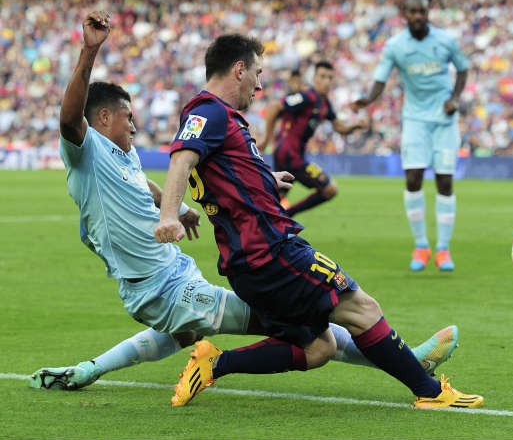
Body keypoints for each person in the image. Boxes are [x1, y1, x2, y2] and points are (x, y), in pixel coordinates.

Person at [29, 12, 458, 392]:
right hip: (162, 288)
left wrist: (182, 209)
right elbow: (71, 119)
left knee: (199, 330)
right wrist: (89, 51)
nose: (135, 127)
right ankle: (411, 362)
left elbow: (144, 184)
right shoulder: (84, 150)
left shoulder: (123, 155)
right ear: (103, 117)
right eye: (128, 118)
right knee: (312, 323)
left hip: (174, 280)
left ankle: (91, 369)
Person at [154, 33, 483, 409]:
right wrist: (169, 216)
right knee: (362, 309)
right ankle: (431, 392)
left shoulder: (216, 115)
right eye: (258, 73)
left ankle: (215, 364)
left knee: (318, 347)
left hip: (247, 261)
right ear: (239, 69)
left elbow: (220, 175)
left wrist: (265, 179)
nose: (260, 85)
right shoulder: (210, 111)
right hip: (271, 252)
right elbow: (182, 159)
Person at [349, 0, 469, 272]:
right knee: (413, 178)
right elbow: (380, 79)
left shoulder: (446, 40)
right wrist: (368, 99)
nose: (417, 16)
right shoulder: (395, 46)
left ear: (428, 12)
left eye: (421, 11)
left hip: (444, 120)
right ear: (405, 14)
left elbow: (463, 70)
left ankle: (443, 249)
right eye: (412, 11)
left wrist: (454, 99)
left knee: (445, 181)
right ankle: (421, 245)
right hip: (415, 119)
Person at [257, 61, 366, 216]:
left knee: (274, 201)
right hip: (290, 155)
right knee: (330, 189)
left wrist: (356, 126)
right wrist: (266, 139)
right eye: (322, 76)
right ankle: (287, 215)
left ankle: (262, 222)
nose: (326, 81)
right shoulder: (307, 97)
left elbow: (339, 127)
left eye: (330, 77)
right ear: (314, 78)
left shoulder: (325, 103)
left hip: (293, 154)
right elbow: (275, 106)